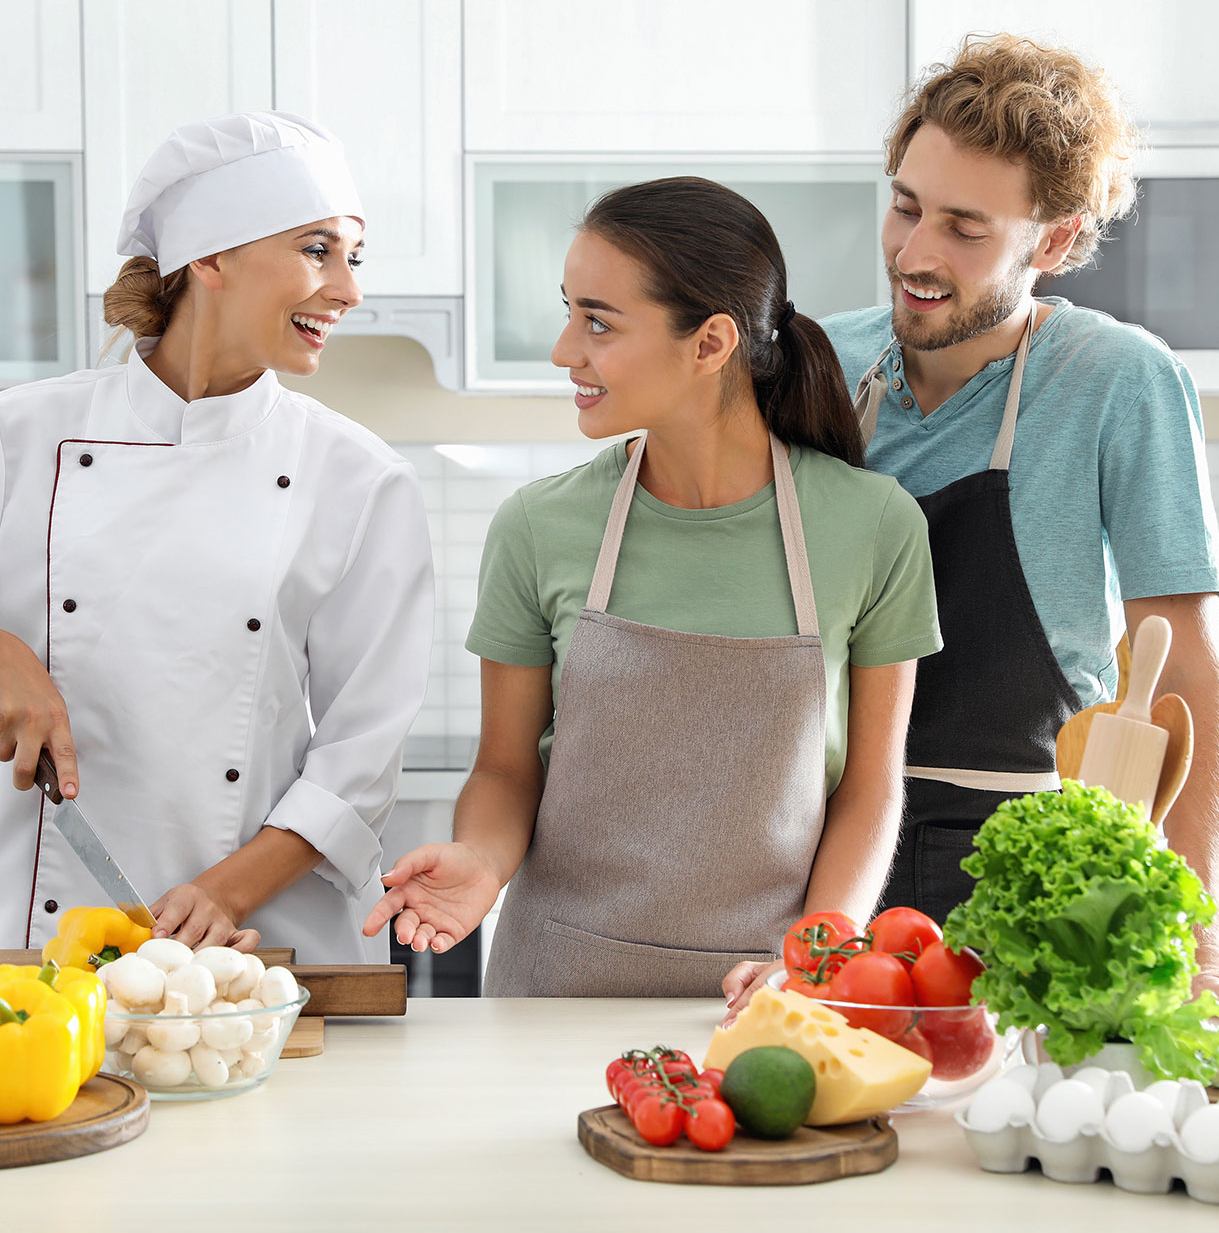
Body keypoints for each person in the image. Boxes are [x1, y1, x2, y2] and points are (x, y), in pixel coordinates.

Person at [0, 112, 434, 963]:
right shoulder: (25, 435)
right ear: (211, 255)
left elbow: (364, 750)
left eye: (353, 257)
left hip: (265, 942)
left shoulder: (357, 476)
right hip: (46, 941)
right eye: (318, 250)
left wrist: (222, 892)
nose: (347, 291)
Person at [725, 34, 1219, 1017]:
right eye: (905, 207)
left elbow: (1186, 666)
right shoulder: (815, 366)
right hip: (830, 859)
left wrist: (1202, 935)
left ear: (1052, 242)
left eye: (966, 228)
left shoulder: (1119, 382)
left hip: (1032, 866)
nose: (917, 255)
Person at [363, 177, 941, 996]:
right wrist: (480, 862)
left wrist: (818, 956)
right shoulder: (539, 526)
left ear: (710, 343)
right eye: (569, 313)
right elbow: (504, 770)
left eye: (597, 322)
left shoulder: (873, 527)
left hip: (765, 998)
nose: (566, 350)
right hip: (552, 988)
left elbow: (872, 785)